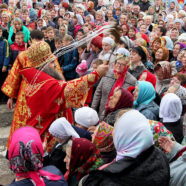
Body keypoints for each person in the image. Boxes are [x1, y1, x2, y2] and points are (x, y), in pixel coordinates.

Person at [19, 41, 108, 150]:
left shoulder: (35, 80)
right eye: (52, 62)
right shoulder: (46, 85)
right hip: (48, 134)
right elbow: (70, 88)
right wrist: (97, 73)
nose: (56, 64)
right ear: (43, 66)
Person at [1, 31, 63, 150]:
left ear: (30, 40)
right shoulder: (50, 56)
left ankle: (18, 149)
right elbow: (58, 76)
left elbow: (14, 77)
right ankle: (41, 149)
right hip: (46, 91)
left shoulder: (23, 55)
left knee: (24, 120)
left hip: (27, 92)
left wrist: (11, 96)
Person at [82, 110, 170, 186]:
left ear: (124, 135)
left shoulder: (109, 178)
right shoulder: (159, 156)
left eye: (116, 129)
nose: (112, 133)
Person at [91, 55, 136, 120]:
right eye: (118, 63)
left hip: (116, 115)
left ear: (127, 66)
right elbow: (98, 93)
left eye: (122, 64)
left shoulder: (132, 80)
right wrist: (93, 109)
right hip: (101, 110)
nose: (119, 65)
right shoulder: (107, 73)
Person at [0, 26, 9, 103]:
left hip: (2, 66)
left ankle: (4, 98)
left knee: (3, 82)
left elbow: (7, 54)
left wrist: (5, 65)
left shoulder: (5, 41)